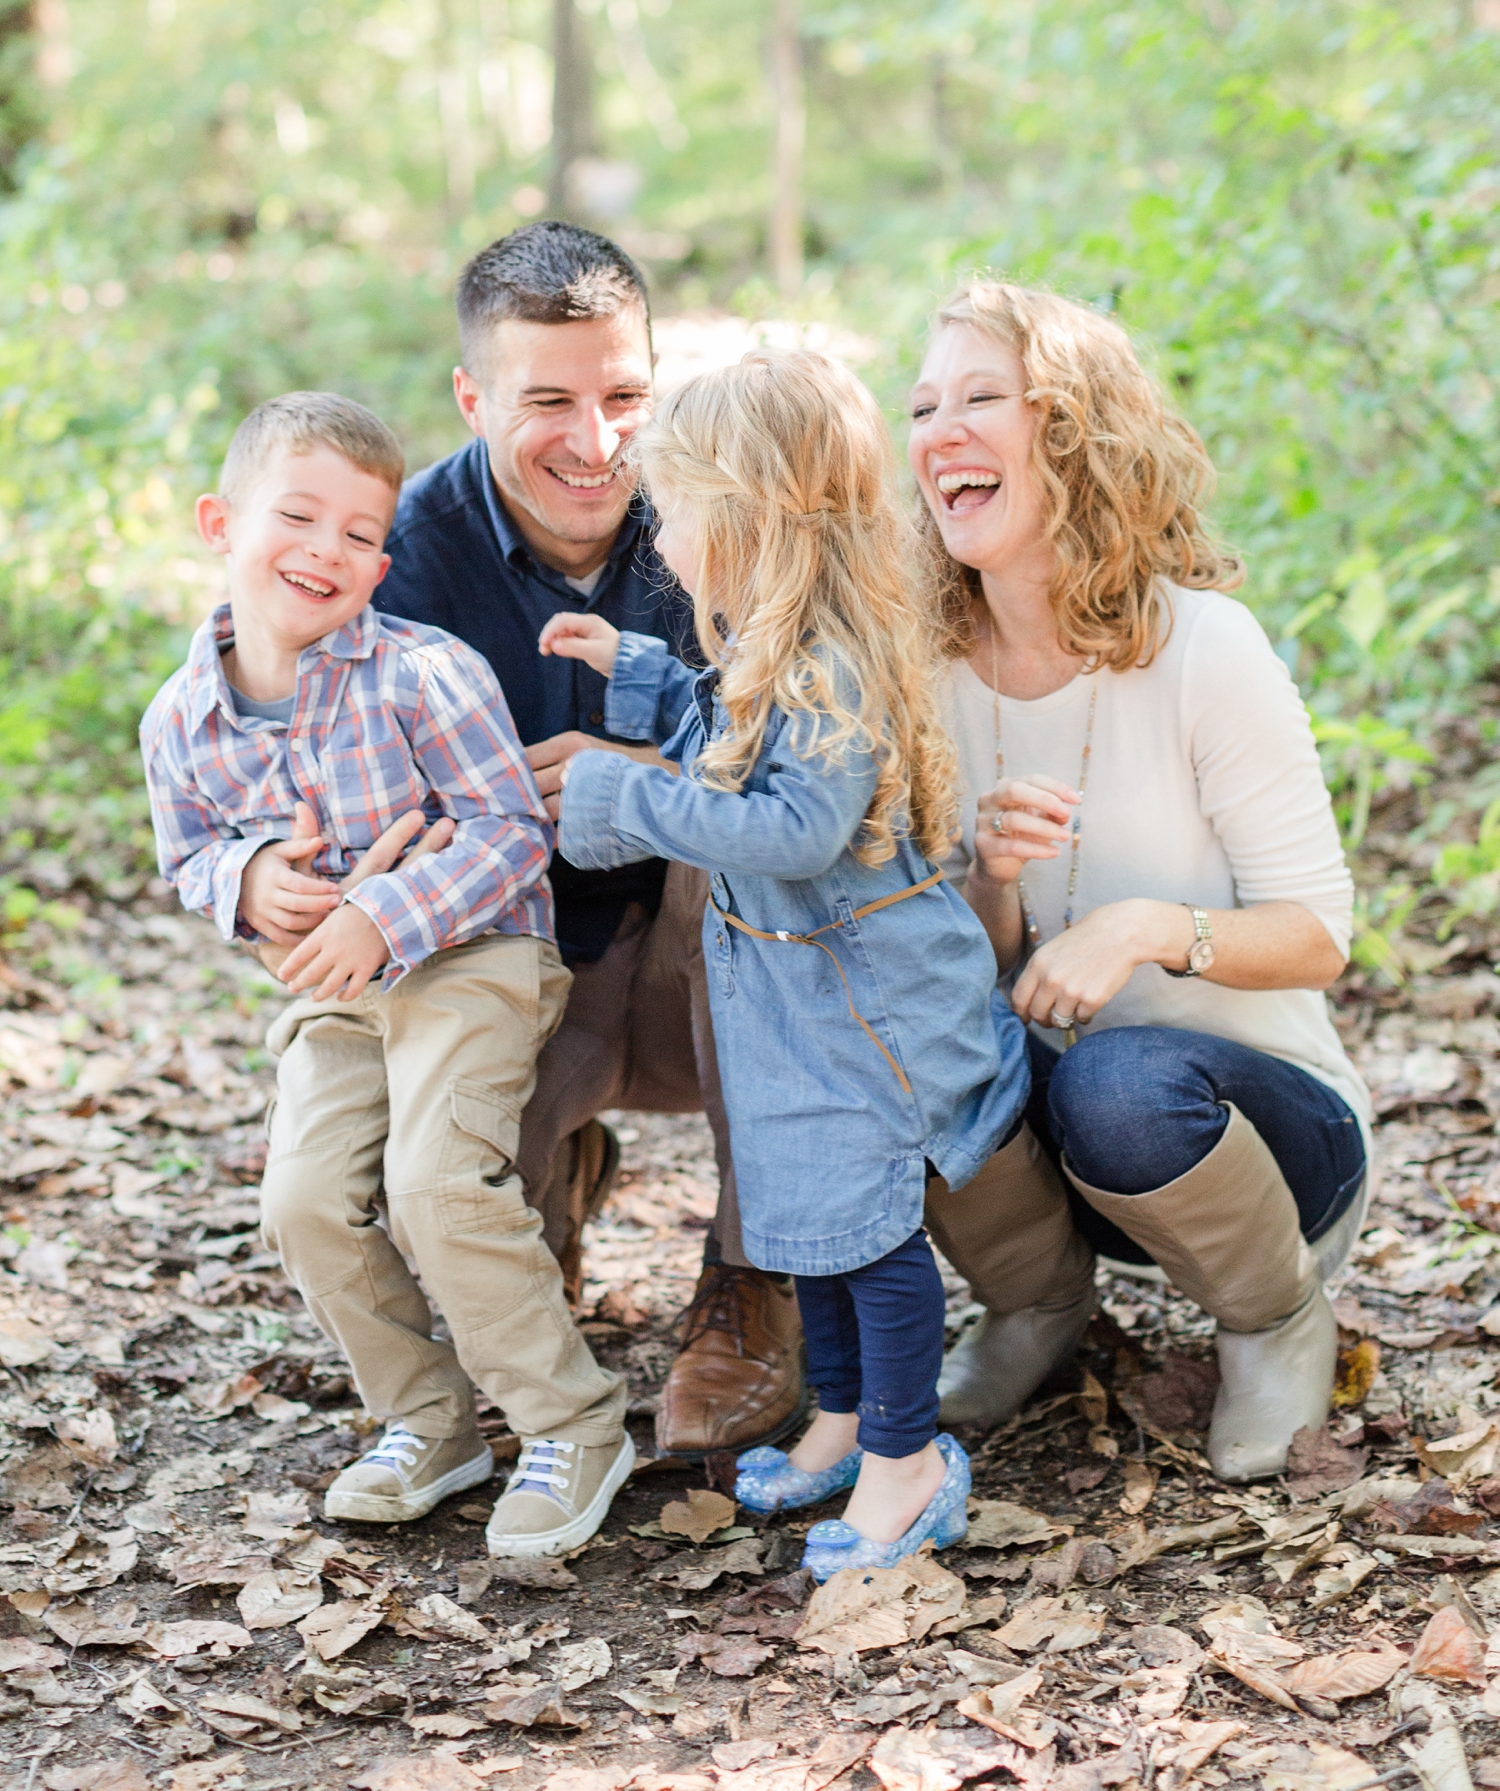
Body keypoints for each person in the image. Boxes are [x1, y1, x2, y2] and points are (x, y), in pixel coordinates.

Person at [545, 350, 1034, 1578]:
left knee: (871, 1242)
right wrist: (641, 678)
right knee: (802, 1219)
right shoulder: (778, 645)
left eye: (682, 514)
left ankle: (908, 1463)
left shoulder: (828, 666)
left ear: (755, 518)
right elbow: (725, 716)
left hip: (862, 1012)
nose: (664, 541)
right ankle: (845, 1416)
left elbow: (795, 829)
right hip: (797, 1008)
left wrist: (629, 796)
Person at [139, 392, 636, 1555]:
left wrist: (382, 909)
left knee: (433, 1184)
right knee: (304, 1202)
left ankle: (573, 1421)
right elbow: (189, 854)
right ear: (221, 521)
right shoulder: (182, 720)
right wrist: (248, 877)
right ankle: (429, 1419)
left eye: (360, 533)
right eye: (298, 516)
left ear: (383, 561)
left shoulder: (424, 673)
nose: (327, 550)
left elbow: (510, 829)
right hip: (340, 997)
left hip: (476, 957)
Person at [907, 278, 1369, 1481]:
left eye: (979, 398)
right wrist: (994, 882)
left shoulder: (1207, 648)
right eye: (921, 408)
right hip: (1075, 1147)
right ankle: (1039, 1305)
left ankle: (1276, 1320)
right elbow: (980, 979)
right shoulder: (933, 673)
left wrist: (1149, 927)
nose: (937, 432)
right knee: (895, 1031)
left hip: (1269, 1136)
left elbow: (1320, 936)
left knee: (1121, 1078)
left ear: (1069, 428)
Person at [374, 222, 804, 1458]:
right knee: (409, 1220)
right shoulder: (400, 553)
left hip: (706, 965)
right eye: (547, 400)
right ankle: (543, 1182)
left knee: (733, 845)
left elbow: (817, 765)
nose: (597, 440)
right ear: (472, 397)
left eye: (624, 395)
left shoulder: (726, 522)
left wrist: (657, 778)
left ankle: (748, 1277)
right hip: (503, 962)